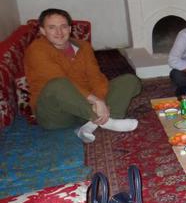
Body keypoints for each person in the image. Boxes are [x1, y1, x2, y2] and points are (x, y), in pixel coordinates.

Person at [24, 8, 141, 143]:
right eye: (52, 28)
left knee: (130, 81)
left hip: (84, 108)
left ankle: (89, 125)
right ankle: (106, 121)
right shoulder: (37, 50)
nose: (59, 32)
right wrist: (96, 101)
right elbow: (60, 83)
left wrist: (101, 100)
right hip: (56, 114)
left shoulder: (83, 46)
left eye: (63, 27)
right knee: (58, 84)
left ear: (70, 28)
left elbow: (95, 76)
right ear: (43, 31)